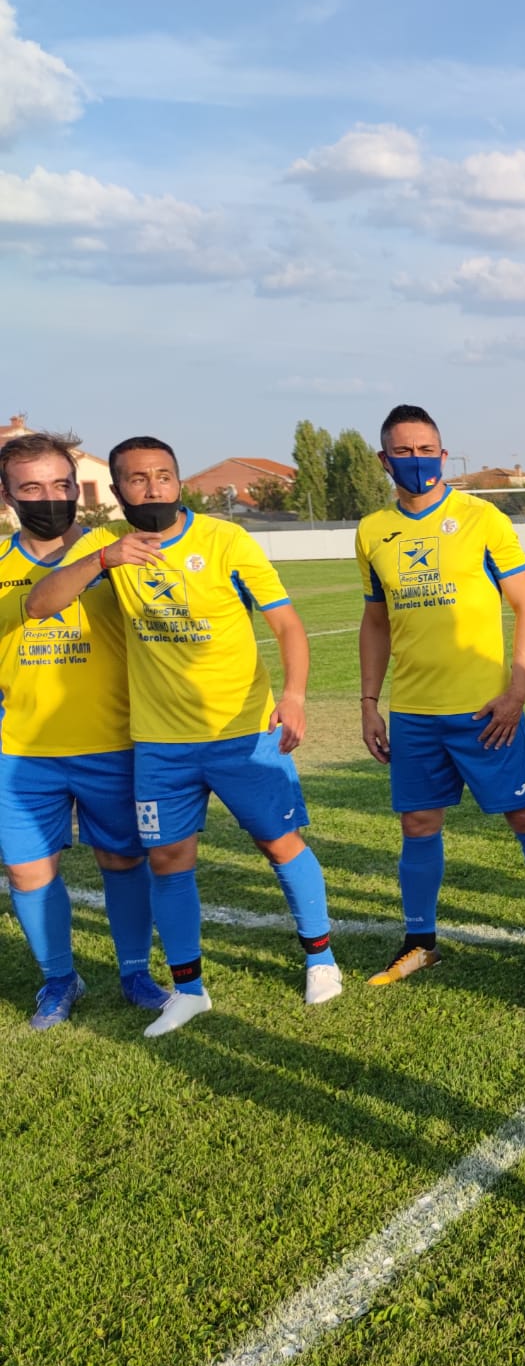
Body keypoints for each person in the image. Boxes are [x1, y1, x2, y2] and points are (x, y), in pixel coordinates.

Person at [27, 436, 338, 1035]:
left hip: (243, 732)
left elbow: (288, 625)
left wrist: (294, 696)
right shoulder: (103, 547)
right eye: (138, 480)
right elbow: (40, 605)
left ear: (178, 483)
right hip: (160, 743)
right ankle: (190, 990)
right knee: (169, 860)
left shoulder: (226, 539)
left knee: (279, 843)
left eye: (163, 476)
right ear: (117, 492)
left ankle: (321, 958)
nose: (152, 488)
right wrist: (102, 561)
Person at [356, 404, 525, 992]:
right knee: (418, 823)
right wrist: (369, 701)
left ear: (442, 451)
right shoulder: (372, 531)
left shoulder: (482, 519)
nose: (417, 460)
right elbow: (375, 622)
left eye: (426, 448)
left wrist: (518, 688)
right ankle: (420, 943)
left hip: (485, 710)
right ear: (384, 460)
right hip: (413, 713)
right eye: (403, 451)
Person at [0, 433, 165, 1028]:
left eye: (62, 485)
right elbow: (31, 613)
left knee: (121, 860)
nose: (51, 497)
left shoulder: (126, 552)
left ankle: (134, 972)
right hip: (21, 751)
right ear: (7, 495)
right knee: (26, 869)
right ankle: (58, 979)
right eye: (33, 488)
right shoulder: (2, 565)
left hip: (112, 742)